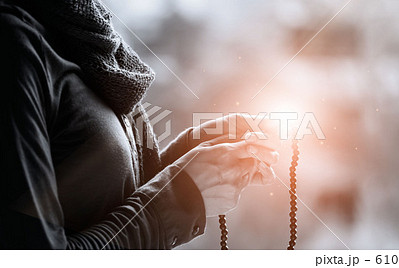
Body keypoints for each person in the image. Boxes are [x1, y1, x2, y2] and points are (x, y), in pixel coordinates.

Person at [0, 0, 279, 249]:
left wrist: (191, 153)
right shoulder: (13, 43)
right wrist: (178, 194)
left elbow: (105, 200)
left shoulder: (85, 33)